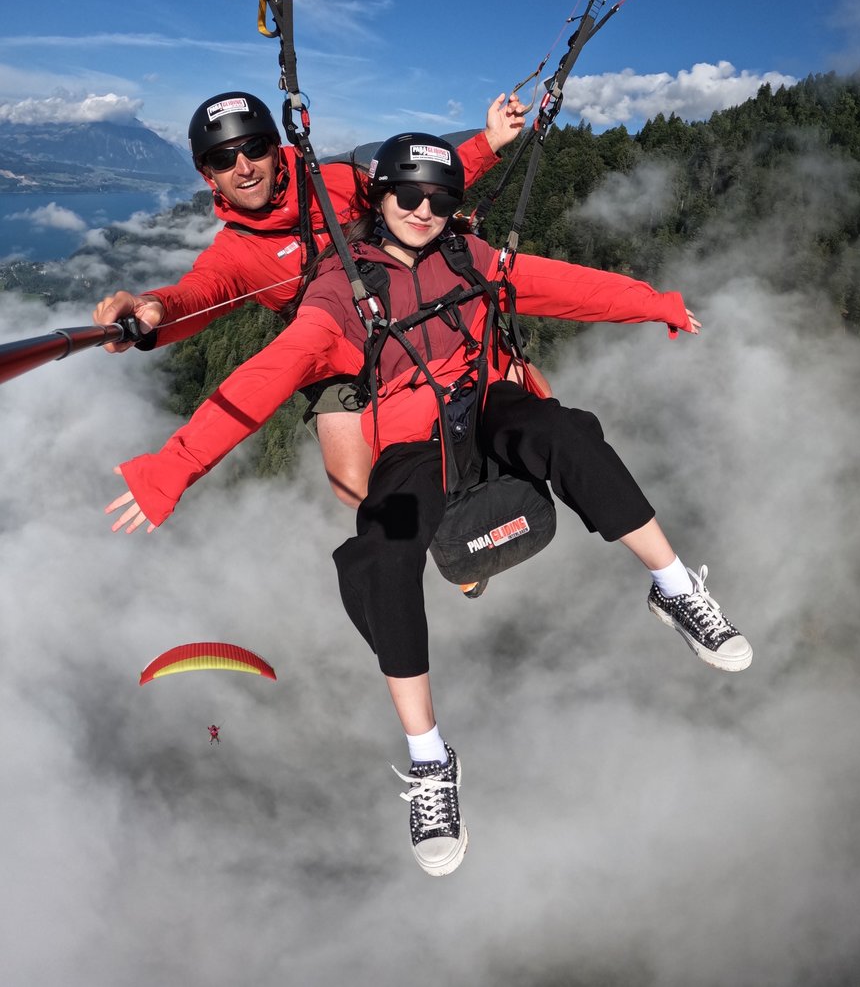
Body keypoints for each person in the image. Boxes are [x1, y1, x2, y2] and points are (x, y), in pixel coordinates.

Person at [106, 132, 752, 878]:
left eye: (440, 199)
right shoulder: (339, 295)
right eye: (407, 196)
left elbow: (567, 285)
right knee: (381, 551)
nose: (422, 209)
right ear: (375, 200)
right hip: (413, 439)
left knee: (568, 436)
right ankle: (430, 762)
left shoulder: (470, 259)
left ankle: (674, 589)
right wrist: (173, 468)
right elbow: (265, 377)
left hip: (486, 402)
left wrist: (655, 305)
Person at [93, 90, 530, 509]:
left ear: (274, 147)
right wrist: (154, 309)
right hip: (338, 353)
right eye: (223, 159)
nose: (243, 167)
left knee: (495, 389)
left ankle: (501, 482)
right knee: (353, 483)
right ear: (208, 174)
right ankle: (447, 525)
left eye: (254, 148)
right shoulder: (237, 252)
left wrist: (490, 142)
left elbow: (414, 193)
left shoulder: (333, 184)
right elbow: (200, 294)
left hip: (405, 308)